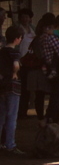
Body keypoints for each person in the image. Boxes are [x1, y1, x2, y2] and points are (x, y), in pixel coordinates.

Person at [33, 14, 59, 125]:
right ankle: (51, 117)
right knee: (57, 95)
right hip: (56, 69)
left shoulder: (40, 38)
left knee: (51, 94)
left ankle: (49, 117)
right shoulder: (51, 38)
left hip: (46, 69)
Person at [0, 26, 25, 155]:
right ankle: (10, 144)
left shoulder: (1, 51)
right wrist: (15, 72)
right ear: (17, 39)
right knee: (12, 116)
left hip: (1, 86)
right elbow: (15, 65)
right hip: (13, 86)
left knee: (1, 115)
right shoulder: (15, 52)